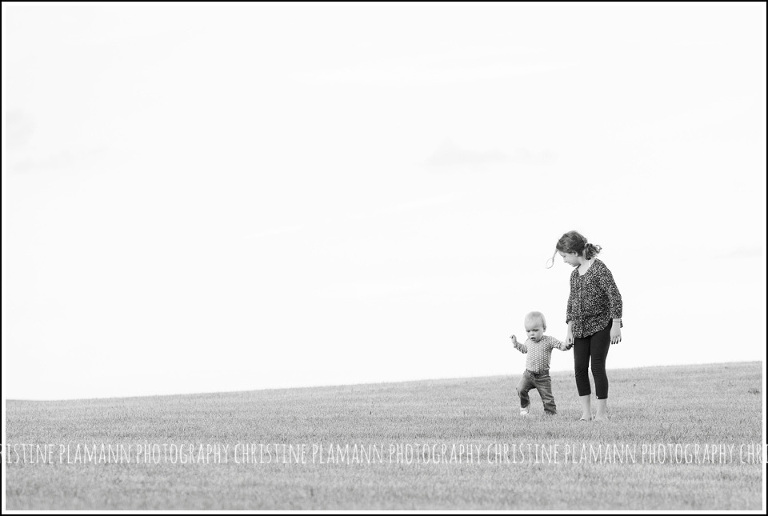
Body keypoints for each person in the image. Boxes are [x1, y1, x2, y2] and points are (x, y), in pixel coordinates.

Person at [554, 230, 623, 422]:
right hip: (581, 328)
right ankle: (586, 413)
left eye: (565, 256)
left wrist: (616, 324)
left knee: (597, 367)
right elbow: (572, 303)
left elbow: (615, 296)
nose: (564, 260)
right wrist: (569, 329)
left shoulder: (599, 269)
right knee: (580, 368)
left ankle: (602, 413)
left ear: (574, 252)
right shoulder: (574, 275)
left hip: (602, 324)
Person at [509, 311, 571, 416]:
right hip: (528, 375)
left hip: (543, 376)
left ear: (544, 328)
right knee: (520, 389)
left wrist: (567, 345)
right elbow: (524, 349)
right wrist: (516, 343)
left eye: (535, 330)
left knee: (547, 397)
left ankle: (551, 413)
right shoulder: (528, 341)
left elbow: (560, 345)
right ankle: (525, 406)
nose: (531, 334)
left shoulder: (549, 340)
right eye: (528, 331)